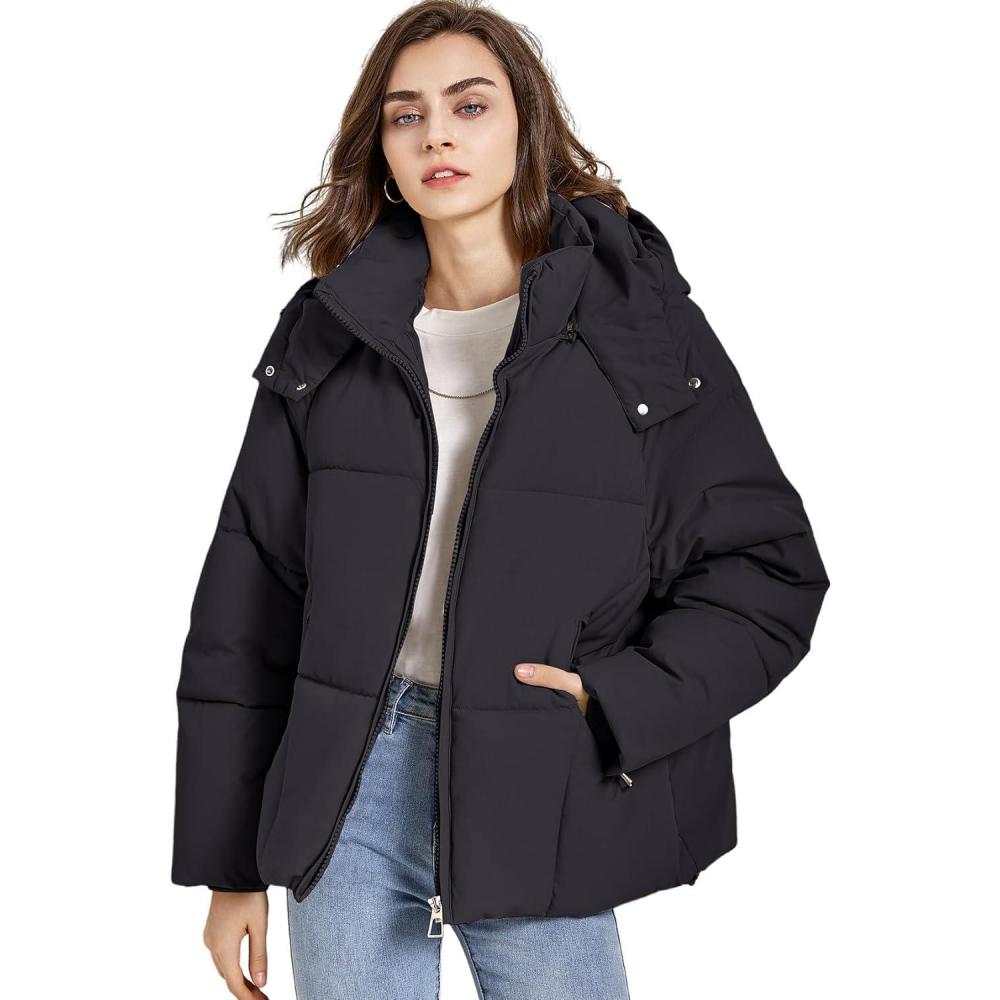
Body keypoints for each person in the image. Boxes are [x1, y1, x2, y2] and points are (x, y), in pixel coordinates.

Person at [171, 3, 830, 998]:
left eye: (469, 106)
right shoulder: (330, 330)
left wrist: (613, 698)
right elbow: (248, 602)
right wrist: (228, 868)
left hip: (541, 768)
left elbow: (766, 570)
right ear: (381, 150)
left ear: (526, 124)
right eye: (406, 115)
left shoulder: (635, 325)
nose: (436, 135)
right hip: (348, 774)